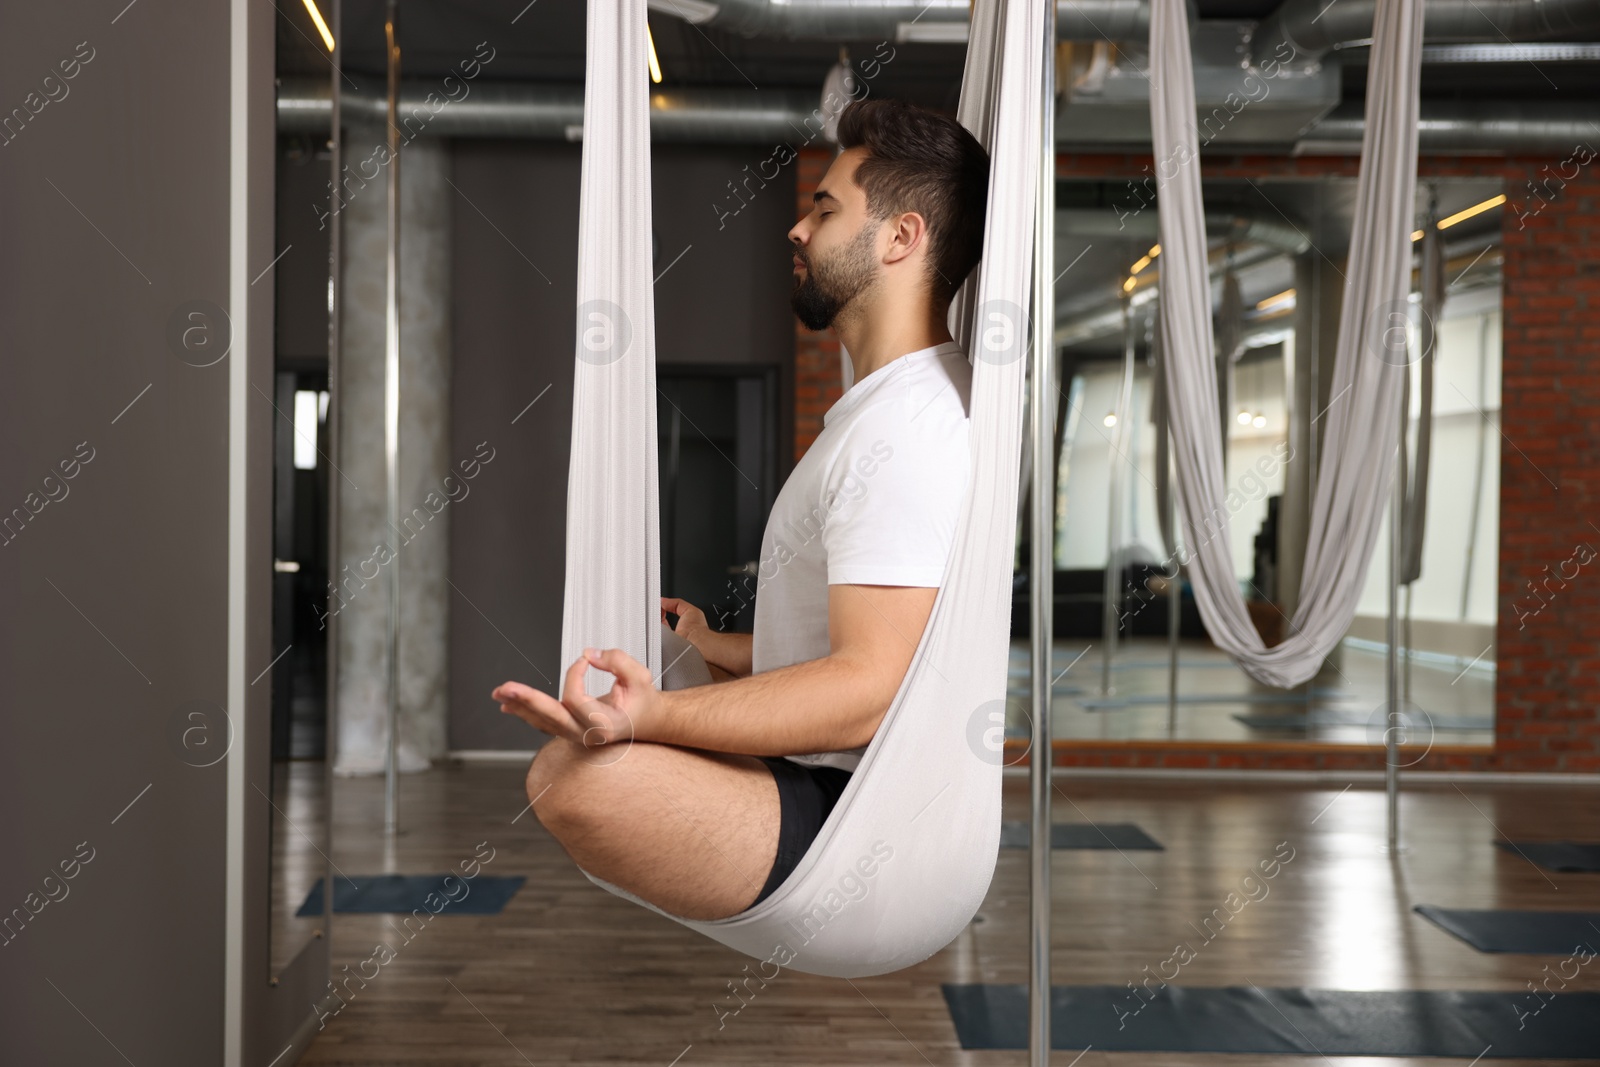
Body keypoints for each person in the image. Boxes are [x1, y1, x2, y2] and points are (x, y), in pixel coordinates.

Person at [492, 98, 990, 921]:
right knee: (631, 677)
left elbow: (870, 686)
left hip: (865, 823)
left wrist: (655, 716)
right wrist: (711, 647)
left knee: (572, 778)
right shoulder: (883, 413)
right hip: (834, 785)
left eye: (827, 208)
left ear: (901, 238)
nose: (799, 230)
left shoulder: (909, 428)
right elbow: (876, 640)